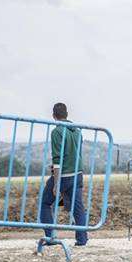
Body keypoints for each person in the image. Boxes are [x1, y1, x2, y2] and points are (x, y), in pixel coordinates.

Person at [39, 102, 88, 246]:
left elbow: (57, 159)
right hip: (78, 173)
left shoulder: (57, 131)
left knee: (45, 203)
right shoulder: (77, 131)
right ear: (67, 114)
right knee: (77, 207)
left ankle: (51, 237)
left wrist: (56, 182)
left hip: (64, 175)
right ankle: (82, 240)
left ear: (53, 115)